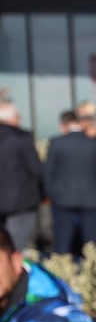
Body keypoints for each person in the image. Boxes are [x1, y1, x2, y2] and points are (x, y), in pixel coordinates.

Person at [44, 111, 96, 257]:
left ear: (64, 125)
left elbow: (48, 171)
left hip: (62, 196)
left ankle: (63, 266)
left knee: (62, 239)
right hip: (90, 196)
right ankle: (91, 265)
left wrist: (50, 193)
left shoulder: (57, 142)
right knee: (90, 240)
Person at [0, 101, 44, 252]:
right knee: (15, 245)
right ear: (13, 117)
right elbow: (35, 169)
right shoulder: (21, 137)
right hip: (21, 201)